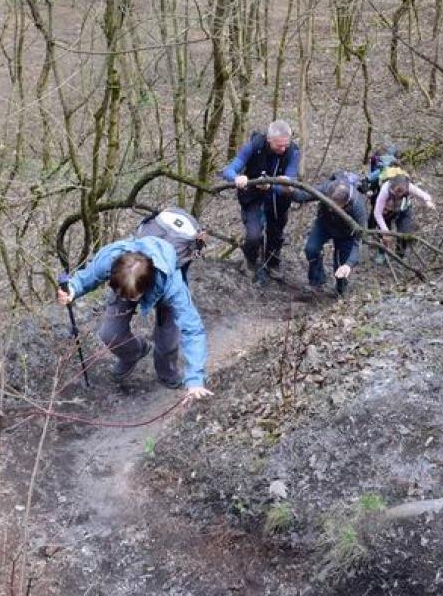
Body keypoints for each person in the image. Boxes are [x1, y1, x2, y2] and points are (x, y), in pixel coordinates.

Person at [57, 234, 212, 401]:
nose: (124, 299)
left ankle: (167, 371)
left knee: (167, 340)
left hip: (161, 288)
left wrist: (195, 380)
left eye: (130, 297)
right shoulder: (111, 258)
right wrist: (72, 288)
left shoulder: (173, 287)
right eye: (120, 293)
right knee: (110, 333)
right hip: (127, 283)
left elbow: (193, 330)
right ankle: (135, 352)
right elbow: (87, 277)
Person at [221, 119, 301, 285]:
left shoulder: (292, 152)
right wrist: (238, 178)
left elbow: (290, 185)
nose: (283, 149)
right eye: (279, 145)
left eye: (286, 144)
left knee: (276, 233)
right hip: (253, 196)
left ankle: (273, 264)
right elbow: (228, 170)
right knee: (254, 235)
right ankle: (250, 263)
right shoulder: (254, 147)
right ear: (268, 140)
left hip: (278, 199)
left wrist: (273, 185)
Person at [298, 171, 368, 295]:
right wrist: (285, 189)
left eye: (336, 207)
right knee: (311, 249)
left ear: (346, 203)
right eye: (329, 205)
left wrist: (349, 264)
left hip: (346, 233)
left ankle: (340, 291)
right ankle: (317, 281)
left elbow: (360, 240)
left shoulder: (358, 207)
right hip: (324, 224)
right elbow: (303, 195)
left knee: (341, 266)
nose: (331, 209)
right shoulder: (326, 188)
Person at [373, 173, 436, 258]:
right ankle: (382, 253)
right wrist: (385, 230)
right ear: (392, 186)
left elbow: (422, 194)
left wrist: (428, 201)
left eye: (402, 191)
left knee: (405, 233)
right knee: (383, 233)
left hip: (404, 209)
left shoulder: (409, 187)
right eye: (397, 191)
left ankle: (399, 255)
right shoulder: (385, 190)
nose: (399, 194)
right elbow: (377, 213)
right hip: (387, 210)